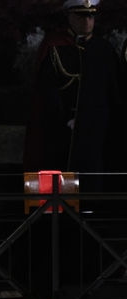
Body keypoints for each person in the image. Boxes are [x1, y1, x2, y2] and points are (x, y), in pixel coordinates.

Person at [23, 0, 122, 195]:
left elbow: (114, 94)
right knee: (60, 187)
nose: (87, 21)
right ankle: (60, 222)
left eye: (91, 16)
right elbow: (46, 91)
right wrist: (64, 119)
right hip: (62, 134)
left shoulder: (105, 50)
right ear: (70, 17)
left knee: (92, 185)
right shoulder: (54, 47)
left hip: (95, 134)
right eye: (81, 16)